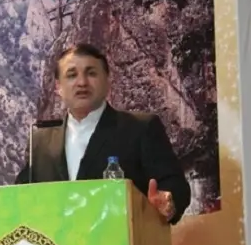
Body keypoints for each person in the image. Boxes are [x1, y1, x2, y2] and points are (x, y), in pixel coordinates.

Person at [14, 43, 191, 224]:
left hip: (122, 238)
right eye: (72, 75)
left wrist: (167, 202)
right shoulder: (40, 142)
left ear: (107, 81)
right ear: (58, 87)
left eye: (91, 73)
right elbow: (18, 199)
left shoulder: (140, 128)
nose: (82, 82)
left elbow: (176, 186)